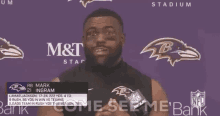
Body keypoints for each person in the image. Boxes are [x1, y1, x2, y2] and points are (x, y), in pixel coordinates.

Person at [37, 8, 169, 116]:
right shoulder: (60, 86)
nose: (100, 39)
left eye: (109, 33)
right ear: (83, 41)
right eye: (92, 34)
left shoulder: (151, 88)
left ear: (122, 39)